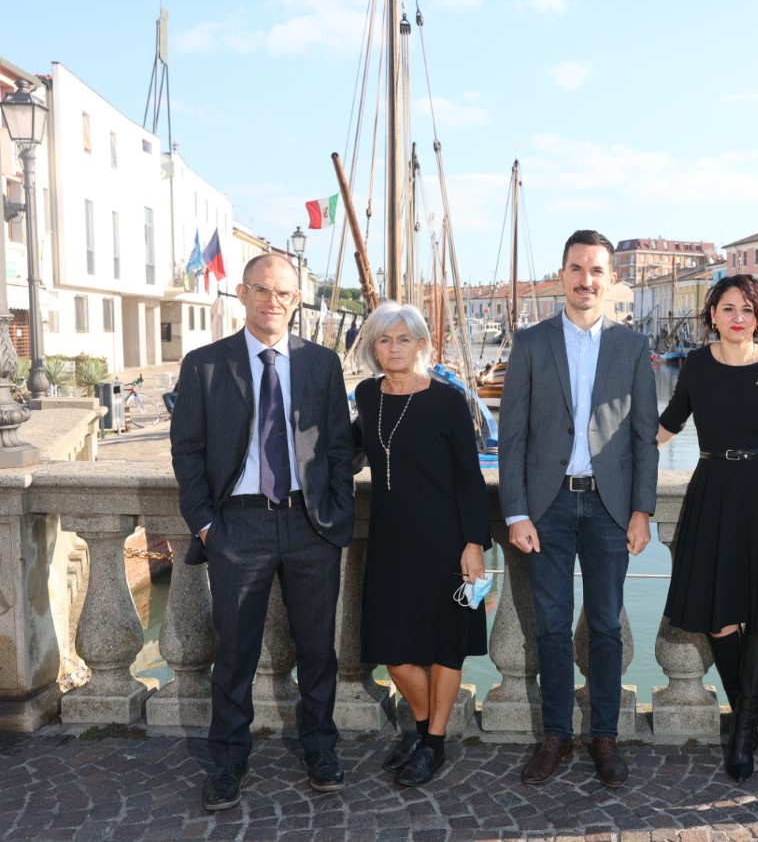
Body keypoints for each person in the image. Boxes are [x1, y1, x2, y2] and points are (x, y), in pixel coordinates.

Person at [171, 254, 355, 810]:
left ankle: (320, 746)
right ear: (242, 294)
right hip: (238, 526)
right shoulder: (204, 365)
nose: (272, 301)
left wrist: (335, 513)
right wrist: (206, 525)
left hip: (310, 523)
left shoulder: (322, 364)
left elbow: (340, 448)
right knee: (235, 652)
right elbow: (188, 451)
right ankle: (228, 760)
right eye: (261, 290)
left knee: (318, 649)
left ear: (297, 301)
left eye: (283, 293)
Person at [499, 229, 659, 788]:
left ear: (611, 278)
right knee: (549, 626)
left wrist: (642, 510)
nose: (586, 279)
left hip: (611, 509)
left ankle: (604, 737)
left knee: (606, 626)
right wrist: (516, 512)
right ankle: (556, 736)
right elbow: (511, 435)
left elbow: (644, 439)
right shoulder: (532, 342)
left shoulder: (632, 347)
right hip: (546, 508)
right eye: (576, 268)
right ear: (562, 275)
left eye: (596, 270)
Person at [657, 274, 758, 783]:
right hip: (715, 492)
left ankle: (743, 727)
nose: (737, 318)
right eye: (728, 308)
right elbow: (667, 425)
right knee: (718, 619)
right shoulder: (697, 365)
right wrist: (614, 457)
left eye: (747, 310)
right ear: (713, 314)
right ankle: (746, 712)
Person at [351, 301, 490, 787]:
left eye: (403, 339)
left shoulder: (449, 399)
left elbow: (470, 480)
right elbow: (350, 447)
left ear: (421, 345)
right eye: (385, 339)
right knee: (395, 652)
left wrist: (475, 545)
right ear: (373, 346)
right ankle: (423, 727)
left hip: (447, 540)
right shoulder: (367, 395)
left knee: (444, 646)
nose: (394, 348)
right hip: (390, 540)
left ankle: (432, 742)